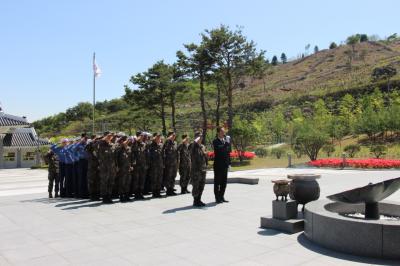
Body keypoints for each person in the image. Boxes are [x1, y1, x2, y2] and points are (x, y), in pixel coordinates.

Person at [212, 126, 231, 203]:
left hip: (225, 165)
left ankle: (222, 196)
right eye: (222, 131)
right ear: (218, 132)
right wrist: (226, 143)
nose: (224, 133)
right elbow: (219, 150)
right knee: (217, 182)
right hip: (218, 165)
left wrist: (229, 163)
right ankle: (217, 198)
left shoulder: (225, 141)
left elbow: (228, 152)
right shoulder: (215, 141)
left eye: (224, 131)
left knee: (224, 182)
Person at [97, 133, 117, 204]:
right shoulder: (101, 144)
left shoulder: (112, 145)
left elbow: (115, 156)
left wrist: (116, 166)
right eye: (108, 136)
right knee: (104, 182)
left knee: (111, 182)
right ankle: (104, 197)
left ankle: (109, 196)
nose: (109, 138)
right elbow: (98, 143)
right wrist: (104, 138)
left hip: (112, 167)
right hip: (104, 167)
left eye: (110, 137)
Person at [191, 132, 208, 207]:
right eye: (199, 137)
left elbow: (204, 157)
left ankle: (199, 199)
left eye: (201, 136)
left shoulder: (203, 146)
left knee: (202, 185)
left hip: (203, 169)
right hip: (196, 170)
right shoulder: (193, 146)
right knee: (196, 185)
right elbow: (191, 149)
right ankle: (195, 201)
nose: (201, 138)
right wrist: (195, 140)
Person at [115, 136, 134, 202]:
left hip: (128, 168)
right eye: (125, 140)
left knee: (127, 182)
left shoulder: (129, 148)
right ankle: (121, 196)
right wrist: (117, 166)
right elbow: (116, 158)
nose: (127, 141)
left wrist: (131, 165)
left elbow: (131, 158)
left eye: (127, 140)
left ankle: (126, 195)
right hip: (122, 168)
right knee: (121, 182)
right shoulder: (119, 148)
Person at [132, 132, 148, 200]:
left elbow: (146, 155)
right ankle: (136, 193)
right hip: (137, 165)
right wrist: (136, 141)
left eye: (142, 136)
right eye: (141, 136)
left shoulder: (143, 144)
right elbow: (132, 150)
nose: (142, 137)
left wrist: (146, 163)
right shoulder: (134, 144)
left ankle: (140, 193)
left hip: (143, 165)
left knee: (142, 179)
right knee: (136, 180)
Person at [148, 133, 164, 198]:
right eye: (158, 138)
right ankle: (154, 192)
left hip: (160, 165)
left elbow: (162, 155)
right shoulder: (151, 146)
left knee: (159, 179)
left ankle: (158, 192)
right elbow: (149, 156)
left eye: (159, 138)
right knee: (154, 179)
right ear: (155, 139)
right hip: (154, 166)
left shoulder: (160, 145)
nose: (159, 139)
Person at [85, 136, 101, 201]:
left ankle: (97, 195)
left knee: (97, 181)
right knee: (91, 182)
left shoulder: (98, 149)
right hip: (91, 168)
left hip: (97, 167)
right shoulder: (89, 149)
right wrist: (93, 140)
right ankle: (92, 195)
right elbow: (88, 146)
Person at [163, 131, 179, 196]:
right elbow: (165, 149)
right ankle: (168, 190)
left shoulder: (175, 143)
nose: (174, 137)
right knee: (168, 176)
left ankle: (171, 188)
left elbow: (177, 152)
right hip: (169, 163)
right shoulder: (167, 142)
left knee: (173, 176)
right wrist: (168, 139)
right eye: (173, 135)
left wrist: (178, 161)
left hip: (174, 163)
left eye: (174, 136)